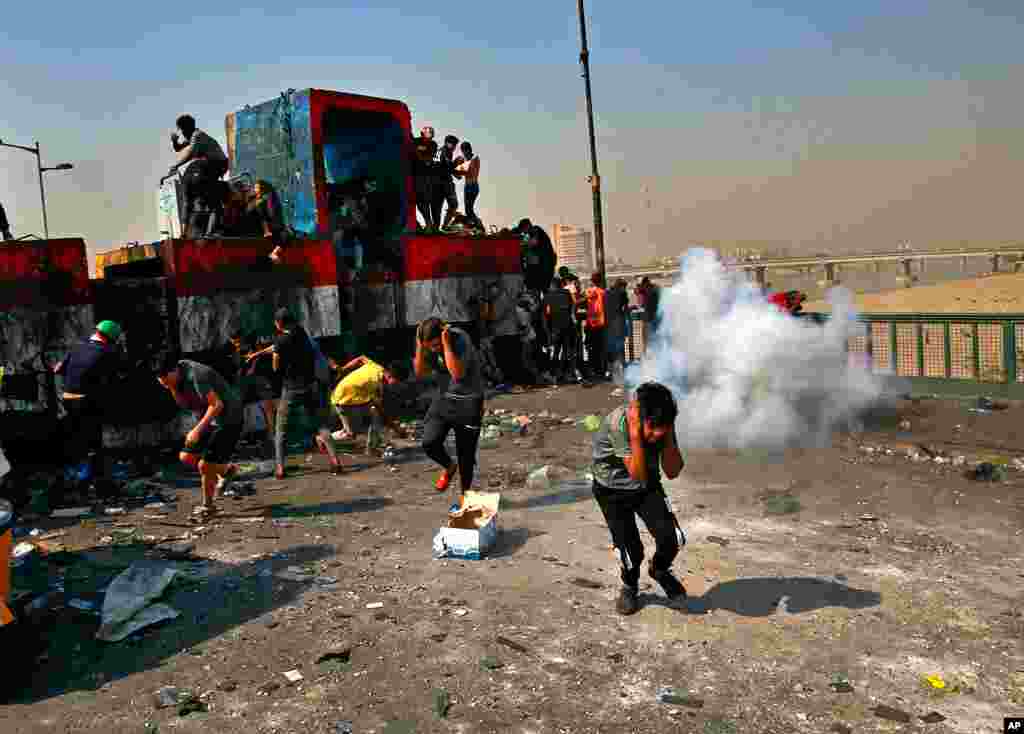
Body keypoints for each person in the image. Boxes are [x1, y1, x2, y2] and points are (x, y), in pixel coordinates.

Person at [592, 382, 687, 615]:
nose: (655, 435)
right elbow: (638, 473)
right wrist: (635, 435)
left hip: (646, 485)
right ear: (639, 418)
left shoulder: (662, 423)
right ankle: (630, 585)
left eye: (661, 429)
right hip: (612, 490)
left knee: (672, 538)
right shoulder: (619, 423)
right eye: (652, 428)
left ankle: (660, 570)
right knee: (630, 550)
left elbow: (673, 471)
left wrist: (667, 438)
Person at [252, 308, 342, 478]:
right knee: (321, 425)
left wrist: (274, 356)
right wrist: (258, 353)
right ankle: (335, 461)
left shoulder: (282, 339)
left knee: (281, 430)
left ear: (279, 323)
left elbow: (276, 366)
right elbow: (276, 346)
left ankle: (280, 468)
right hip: (310, 385)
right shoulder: (301, 332)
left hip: (291, 389)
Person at [156, 354, 243, 519]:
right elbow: (184, 404)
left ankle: (208, 507)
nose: (165, 384)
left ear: (174, 371)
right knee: (186, 457)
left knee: (205, 466)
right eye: (161, 382)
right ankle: (227, 470)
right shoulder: (174, 378)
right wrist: (172, 387)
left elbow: (217, 405)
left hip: (228, 418)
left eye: (166, 380)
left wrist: (197, 430)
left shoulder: (197, 374)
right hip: (208, 418)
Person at [414, 317, 485, 499]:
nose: (433, 349)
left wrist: (445, 344)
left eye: (435, 345)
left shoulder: (459, 339)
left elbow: (457, 373)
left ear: (443, 335)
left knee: (465, 457)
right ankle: (449, 466)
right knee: (429, 442)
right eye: (429, 346)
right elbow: (420, 372)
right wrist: (420, 346)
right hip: (444, 399)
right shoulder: (427, 345)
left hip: (468, 402)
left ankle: (465, 498)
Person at [54, 321, 129, 488]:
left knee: (78, 436)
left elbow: (57, 369)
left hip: (67, 399)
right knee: (93, 438)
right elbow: (119, 374)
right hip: (86, 401)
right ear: (111, 338)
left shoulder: (77, 346)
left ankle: (78, 473)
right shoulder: (108, 351)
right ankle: (93, 477)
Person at [167, 114, 230, 237]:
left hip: (218, 164)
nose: (183, 135)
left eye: (183, 131)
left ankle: (210, 231)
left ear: (188, 128)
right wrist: (174, 141)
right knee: (190, 199)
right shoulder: (191, 137)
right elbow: (179, 148)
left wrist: (177, 165)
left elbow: (190, 153)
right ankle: (186, 232)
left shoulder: (197, 135)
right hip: (205, 165)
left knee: (212, 201)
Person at [329, 355, 408, 451]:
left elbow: (361, 358)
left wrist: (342, 369)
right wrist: (396, 428)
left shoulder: (377, 367)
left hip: (348, 395)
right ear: (389, 376)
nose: (397, 385)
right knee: (350, 434)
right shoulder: (374, 383)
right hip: (342, 401)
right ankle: (323, 439)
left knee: (374, 415)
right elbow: (380, 409)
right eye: (397, 382)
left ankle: (372, 446)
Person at [544, 277, 576, 382]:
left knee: (556, 350)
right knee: (567, 350)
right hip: (567, 325)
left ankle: (556, 374)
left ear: (553, 285)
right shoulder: (567, 293)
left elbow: (547, 312)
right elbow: (572, 305)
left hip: (555, 327)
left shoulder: (548, 295)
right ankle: (567, 373)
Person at [515, 219, 556, 295]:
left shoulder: (536, 230)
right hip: (544, 266)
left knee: (537, 289)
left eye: (523, 230)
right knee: (542, 290)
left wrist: (520, 245)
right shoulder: (535, 233)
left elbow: (532, 243)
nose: (523, 233)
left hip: (543, 266)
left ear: (527, 226)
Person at [412, 126, 438, 229]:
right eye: (427, 133)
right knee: (416, 201)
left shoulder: (432, 144)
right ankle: (423, 224)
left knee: (423, 201)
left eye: (431, 133)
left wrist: (416, 152)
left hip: (424, 176)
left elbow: (427, 160)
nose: (429, 135)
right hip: (413, 174)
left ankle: (428, 224)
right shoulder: (416, 141)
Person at [604, 278, 630, 379]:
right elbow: (625, 308)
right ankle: (623, 370)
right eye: (624, 287)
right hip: (618, 322)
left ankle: (610, 371)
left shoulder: (606, 293)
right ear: (621, 286)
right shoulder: (622, 293)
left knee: (610, 348)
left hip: (607, 323)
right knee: (620, 347)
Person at [584, 273, 608, 380]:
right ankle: (601, 371)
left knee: (591, 348)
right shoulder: (603, 292)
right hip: (601, 324)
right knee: (601, 348)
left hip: (590, 323)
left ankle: (592, 370)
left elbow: (583, 305)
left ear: (592, 281)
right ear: (600, 281)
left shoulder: (587, 292)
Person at [434, 134, 460, 230]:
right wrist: (454, 165)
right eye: (453, 144)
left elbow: (448, 167)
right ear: (447, 143)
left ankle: (443, 227)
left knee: (452, 204)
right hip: (441, 184)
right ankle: (437, 227)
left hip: (446, 183)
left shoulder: (448, 153)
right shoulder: (441, 152)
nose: (454, 147)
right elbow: (438, 167)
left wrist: (455, 170)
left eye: (455, 145)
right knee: (439, 207)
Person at [454, 142, 481, 228]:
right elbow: (459, 176)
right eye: (463, 151)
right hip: (468, 186)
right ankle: (472, 226)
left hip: (473, 186)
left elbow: (469, 171)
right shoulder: (466, 160)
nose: (464, 153)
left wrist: (457, 166)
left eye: (465, 150)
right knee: (468, 210)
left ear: (469, 150)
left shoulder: (474, 158)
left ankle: (478, 225)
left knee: (469, 210)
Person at [516, 296, 539, 385]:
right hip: (531, 337)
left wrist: (518, 333)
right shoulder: (526, 312)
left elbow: (524, 327)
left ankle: (534, 380)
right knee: (529, 361)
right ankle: (535, 379)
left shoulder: (522, 312)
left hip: (527, 339)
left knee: (527, 361)